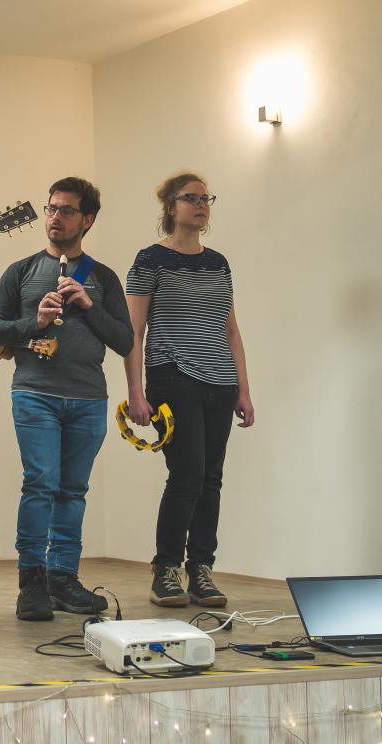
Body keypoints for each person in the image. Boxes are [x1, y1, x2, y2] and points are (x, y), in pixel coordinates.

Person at [0, 178, 133, 621]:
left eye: (66, 210)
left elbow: (125, 340)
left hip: (88, 398)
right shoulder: (21, 271)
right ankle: (31, 582)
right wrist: (35, 321)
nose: (55, 217)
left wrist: (88, 305)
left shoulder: (103, 278)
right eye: (51, 208)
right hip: (35, 394)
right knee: (40, 484)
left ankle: (62, 578)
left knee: (73, 490)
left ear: (87, 220)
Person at [123, 172, 255, 608]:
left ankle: (200, 569)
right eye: (191, 198)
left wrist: (243, 390)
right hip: (173, 377)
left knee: (211, 478)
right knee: (187, 475)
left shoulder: (218, 263)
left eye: (205, 199)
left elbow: (230, 330)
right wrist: (136, 392)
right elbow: (133, 332)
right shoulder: (150, 259)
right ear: (170, 206)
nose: (200, 205)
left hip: (220, 381)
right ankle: (166, 569)